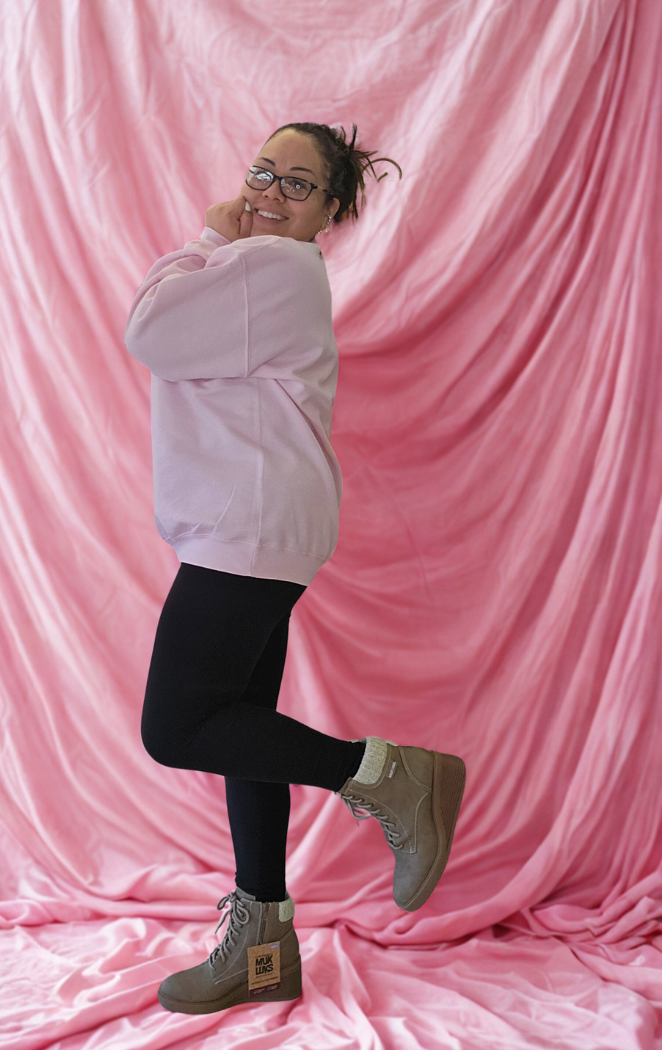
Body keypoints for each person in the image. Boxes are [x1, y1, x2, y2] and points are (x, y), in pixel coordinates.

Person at [124, 122, 466, 1015]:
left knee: (178, 726)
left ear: (332, 209)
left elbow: (151, 331)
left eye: (298, 184)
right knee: (242, 728)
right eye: (263, 171)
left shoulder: (268, 266)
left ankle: (390, 774)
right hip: (261, 522)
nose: (269, 193)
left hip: (246, 523)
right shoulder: (269, 268)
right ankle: (264, 947)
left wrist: (209, 234)